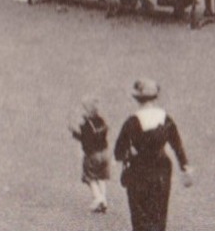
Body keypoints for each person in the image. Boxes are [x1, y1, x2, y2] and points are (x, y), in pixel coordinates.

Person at [113, 79, 193, 231]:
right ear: (156, 97)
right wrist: (185, 168)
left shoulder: (132, 121)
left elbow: (118, 152)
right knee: (159, 214)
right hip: (162, 168)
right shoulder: (166, 119)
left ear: (137, 99)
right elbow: (177, 146)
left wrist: (130, 152)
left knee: (140, 216)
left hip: (139, 170)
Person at [71, 97, 112, 215]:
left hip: (92, 155)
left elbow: (86, 140)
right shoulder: (101, 121)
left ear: (87, 112)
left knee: (90, 178)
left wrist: (75, 134)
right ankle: (104, 200)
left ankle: (99, 198)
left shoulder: (86, 125)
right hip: (104, 152)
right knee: (101, 177)